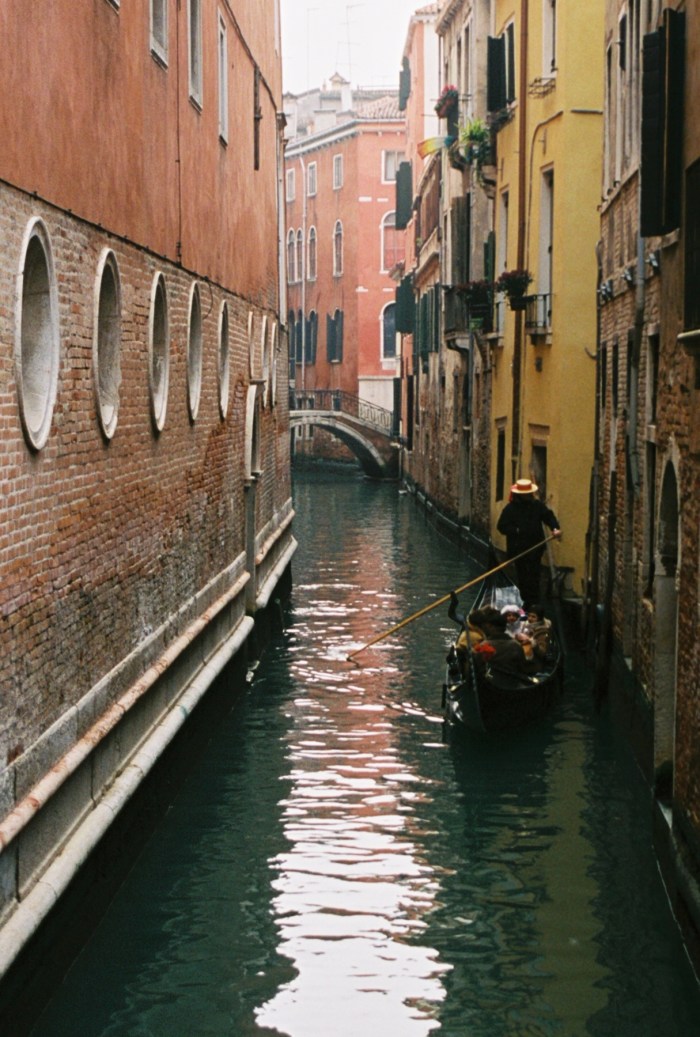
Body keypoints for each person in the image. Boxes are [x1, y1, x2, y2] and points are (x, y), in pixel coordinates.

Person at [497, 478, 561, 609]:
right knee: (522, 577)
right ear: (520, 495)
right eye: (525, 494)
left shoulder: (537, 506)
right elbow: (501, 526)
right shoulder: (510, 509)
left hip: (535, 547)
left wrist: (555, 528)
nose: (528, 496)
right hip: (518, 549)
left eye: (529, 494)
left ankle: (534, 604)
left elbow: (548, 516)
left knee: (534, 575)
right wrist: (516, 530)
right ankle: (525, 603)